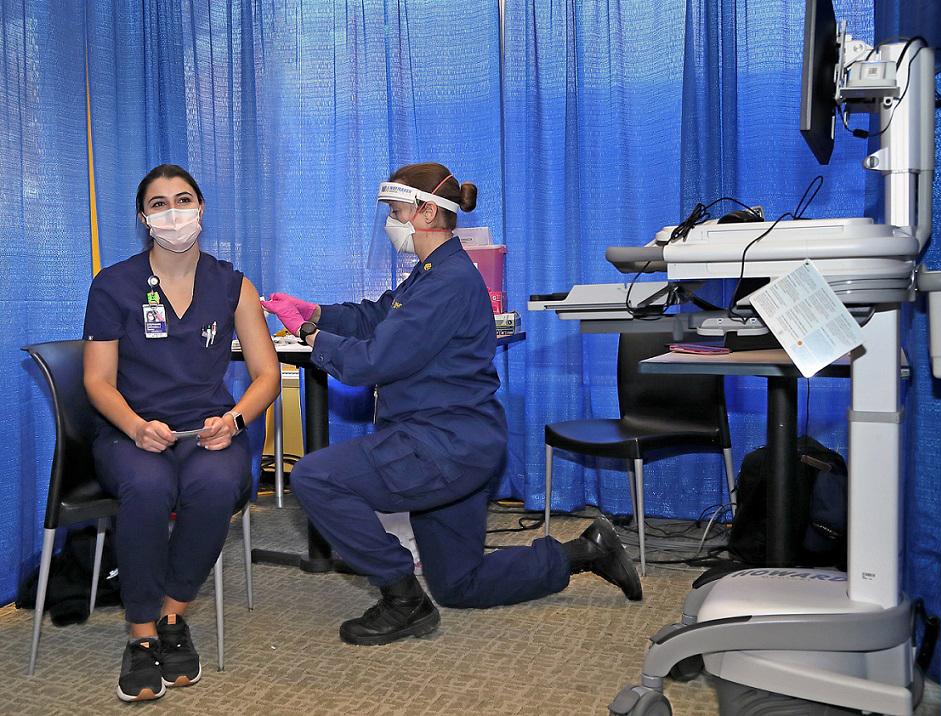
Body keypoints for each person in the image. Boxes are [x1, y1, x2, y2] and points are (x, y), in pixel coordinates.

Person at [262, 162, 640, 647]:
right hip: (466, 444)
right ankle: (586, 552)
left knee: (316, 477)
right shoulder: (436, 272)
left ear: (423, 213)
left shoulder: (447, 282)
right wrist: (317, 311)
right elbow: (379, 315)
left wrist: (311, 336)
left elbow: (370, 362)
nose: (390, 224)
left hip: (438, 446)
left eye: (395, 211)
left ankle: (403, 599)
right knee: (461, 584)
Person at [83, 164, 280, 701]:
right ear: (144, 218)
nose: (174, 212)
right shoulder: (114, 285)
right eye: (160, 203)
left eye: (184, 199)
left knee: (216, 485)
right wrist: (135, 426)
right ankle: (141, 635)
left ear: (202, 208)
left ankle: (173, 618)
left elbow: (267, 375)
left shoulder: (233, 285)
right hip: (131, 433)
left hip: (209, 432)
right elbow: (97, 382)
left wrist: (235, 420)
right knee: (147, 488)